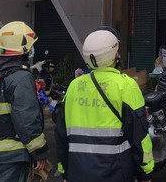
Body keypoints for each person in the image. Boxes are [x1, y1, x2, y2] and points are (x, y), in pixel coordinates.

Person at [55, 28, 154, 182]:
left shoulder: (74, 86)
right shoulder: (126, 85)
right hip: (115, 172)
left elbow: (61, 134)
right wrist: (145, 171)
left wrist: (64, 170)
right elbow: (139, 136)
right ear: (115, 55)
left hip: (77, 172)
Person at [0, 21, 49, 182]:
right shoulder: (20, 78)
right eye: (30, 47)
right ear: (23, 49)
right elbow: (26, 119)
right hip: (12, 155)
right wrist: (39, 152)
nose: (31, 51)